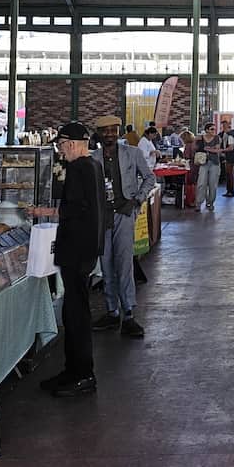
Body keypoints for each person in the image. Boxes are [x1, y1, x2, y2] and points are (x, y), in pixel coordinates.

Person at [34, 122, 104, 397]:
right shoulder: (95, 165)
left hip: (75, 249)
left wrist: (43, 211)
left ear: (72, 144)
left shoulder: (78, 168)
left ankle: (82, 374)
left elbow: (72, 209)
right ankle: (73, 369)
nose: (61, 152)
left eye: (61, 146)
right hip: (88, 249)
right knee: (77, 311)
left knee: (75, 314)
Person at [90, 114, 156, 339]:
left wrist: (137, 200)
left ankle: (128, 314)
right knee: (105, 265)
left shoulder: (133, 153)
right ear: (98, 134)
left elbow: (149, 178)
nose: (109, 134)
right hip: (101, 218)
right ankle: (112, 311)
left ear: (118, 131)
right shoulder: (93, 158)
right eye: (104, 130)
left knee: (124, 264)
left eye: (112, 130)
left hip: (124, 215)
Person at [195, 122, 223, 211]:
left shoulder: (217, 138)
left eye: (214, 129)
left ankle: (210, 202)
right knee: (201, 183)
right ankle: (199, 203)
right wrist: (212, 149)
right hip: (203, 163)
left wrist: (209, 149)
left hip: (214, 163)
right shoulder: (201, 138)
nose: (214, 131)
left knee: (213, 184)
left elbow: (217, 150)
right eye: (211, 129)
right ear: (206, 130)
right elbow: (196, 147)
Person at [219, 117, 234, 197]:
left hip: (230, 157)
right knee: (229, 174)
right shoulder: (229, 134)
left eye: (224, 126)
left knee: (229, 174)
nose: (223, 128)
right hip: (231, 157)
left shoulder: (230, 135)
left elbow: (231, 148)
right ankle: (229, 190)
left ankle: (230, 191)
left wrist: (222, 150)